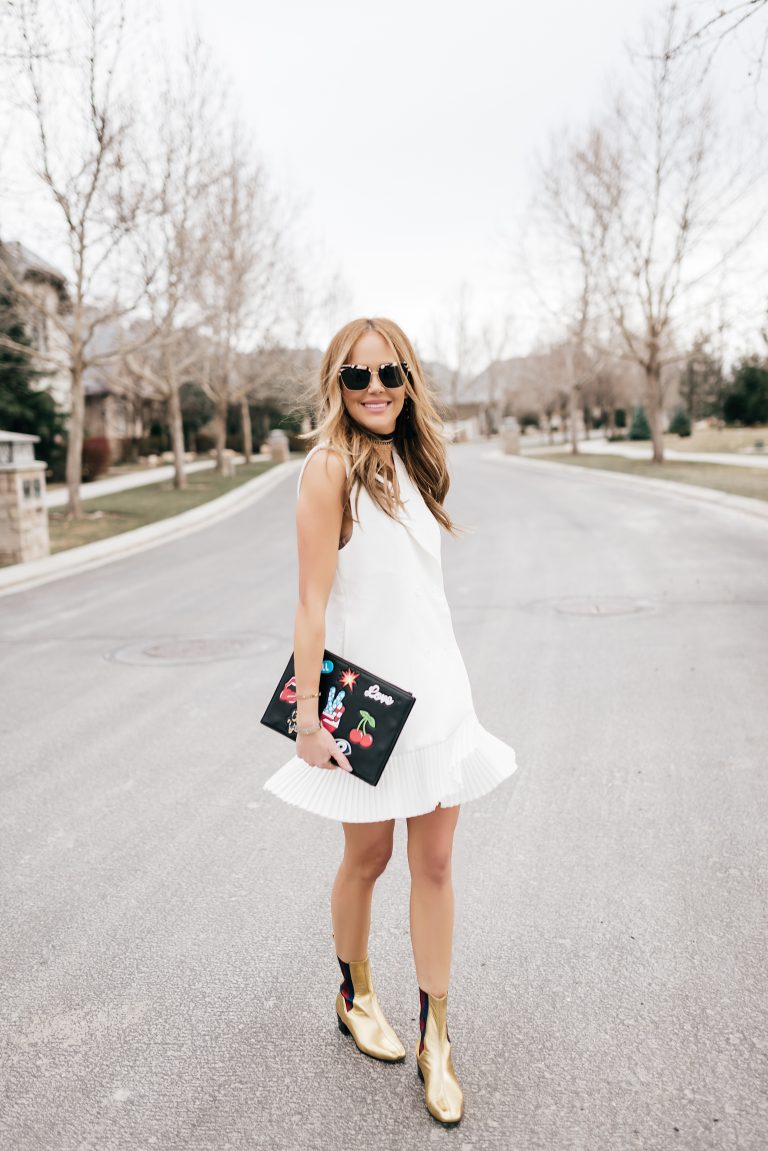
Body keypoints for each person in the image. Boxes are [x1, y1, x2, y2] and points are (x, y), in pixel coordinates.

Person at [263, 316, 518, 1125]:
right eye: (357, 376)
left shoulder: (415, 459)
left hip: (440, 698)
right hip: (371, 712)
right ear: (334, 384)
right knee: (369, 855)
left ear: (409, 380)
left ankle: (437, 1041)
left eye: (391, 373)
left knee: (435, 864)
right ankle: (353, 992)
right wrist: (307, 717)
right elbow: (310, 602)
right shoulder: (325, 468)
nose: (376, 388)